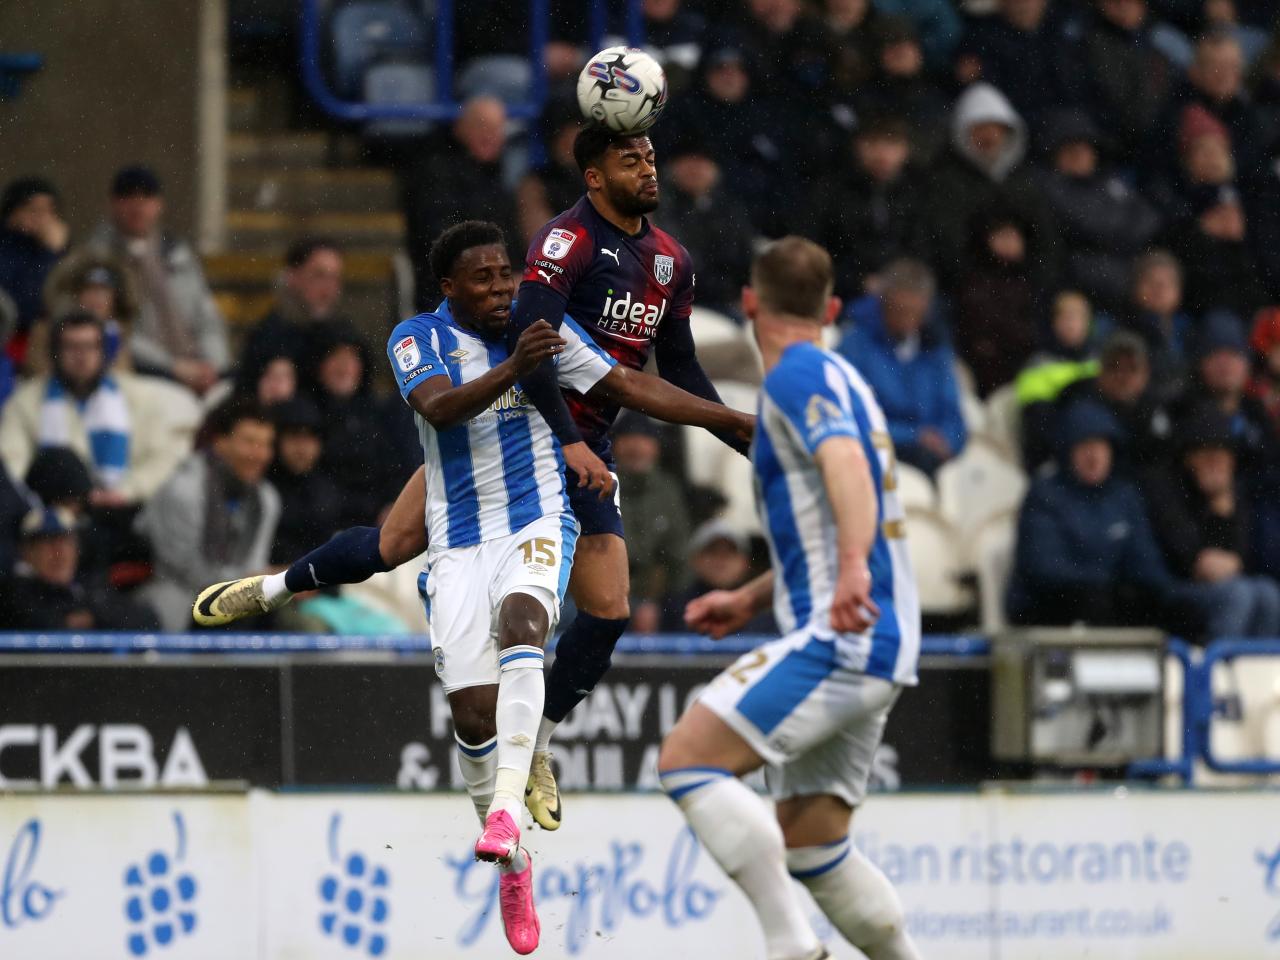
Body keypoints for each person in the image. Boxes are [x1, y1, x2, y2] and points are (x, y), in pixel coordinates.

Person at [191, 219, 754, 830]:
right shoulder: (422, 337)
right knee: (389, 547)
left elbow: (627, 382)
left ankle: (536, 745)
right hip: (460, 480)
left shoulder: (560, 305)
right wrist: (518, 365)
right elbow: (437, 406)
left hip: (553, 477)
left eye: (505, 275)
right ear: (448, 286)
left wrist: (731, 423)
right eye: (482, 279)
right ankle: (271, 588)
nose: (500, 289)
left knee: (608, 610)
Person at [658, 237, 922, 960]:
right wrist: (750, 596)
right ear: (832, 309)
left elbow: (846, 470)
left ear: (749, 303)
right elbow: (836, 510)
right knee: (814, 844)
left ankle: (789, 946)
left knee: (686, 760)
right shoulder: (845, 377)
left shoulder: (796, 377)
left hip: (846, 631)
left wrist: (850, 575)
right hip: (876, 632)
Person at [0, 310, 197, 512]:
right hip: (50, 515)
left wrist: (127, 491)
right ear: (55, 353)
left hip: (122, 510)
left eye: (90, 346)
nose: (81, 356)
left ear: (103, 353)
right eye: (72, 347)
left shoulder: (138, 397)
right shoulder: (25, 402)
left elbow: (167, 454)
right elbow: (11, 467)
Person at [1008, 399, 1174, 625]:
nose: (1094, 456)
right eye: (1085, 446)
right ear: (1067, 451)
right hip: (1049, 610)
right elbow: (1044, 568)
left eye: (1100, 446)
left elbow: (1146, 563)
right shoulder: (1044, 494)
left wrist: (1155, 592)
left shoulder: (1124, 496)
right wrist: (1107, 588)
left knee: (1173, 608)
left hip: (1111, 604)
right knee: (1096, 602)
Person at [137, 399, 280, 631]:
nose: (260, 454)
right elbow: (189, 572)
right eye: (250, 442)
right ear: (220, 442)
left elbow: (255, 564)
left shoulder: (266, 498)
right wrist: (260, 582)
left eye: (266, 444)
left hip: (234, 599)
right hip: (175, 595)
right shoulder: (183, 490)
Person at [86, 166, 229, 395]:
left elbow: (207, 317)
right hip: (143, 374)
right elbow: (115, 330)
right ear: (112, 203)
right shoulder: (97, 261)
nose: (138, 205)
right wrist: (174, 368)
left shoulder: (179, 253)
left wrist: (214, 366)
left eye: (146, 197)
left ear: (159, 204)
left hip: (202, 372)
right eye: (128, 197)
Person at [1145, 406, 1280, 637]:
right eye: (1207, 455)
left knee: (1268, 594)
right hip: (1173, 586)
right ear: (1189, 458)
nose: (1215, 463)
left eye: (1221, 455)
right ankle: (1216, 669)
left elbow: (1240, 557)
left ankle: (1260, 671)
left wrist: (1223, 511)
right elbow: (1191, 557)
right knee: (1238, 595)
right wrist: (1214, 514)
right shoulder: (1166, 489)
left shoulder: (1233, 493)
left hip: (1224, 583)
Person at [837, 258, 966, 475]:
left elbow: (953, 414)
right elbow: (851, 415)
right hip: (877, 456)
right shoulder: (854, 345)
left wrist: (946, 441)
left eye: (914, 312)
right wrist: (914, 436)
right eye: (900, 310)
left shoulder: (936, 351)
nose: (907, 320)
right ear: (884, 302)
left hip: (933, 458)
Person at [805, 115, 932, 300]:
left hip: (902, 294)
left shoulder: (915, 192)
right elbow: (813, 252)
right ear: (858, 146)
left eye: (891, 144)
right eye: (873, 143)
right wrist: (857, 282)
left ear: (905, 150)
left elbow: (922, 251)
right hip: (841, 294)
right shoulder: (831, 191)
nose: (882, 154)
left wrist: (896, 282)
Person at [0, 506, 157, 631]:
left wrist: (93, 618)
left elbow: (147, 619)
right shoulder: (14, 593)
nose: (59, 553)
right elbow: (41, 625)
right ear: (28, 552)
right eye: (48, 543)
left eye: (66, 542)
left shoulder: (87, 586)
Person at [611, 411, 690, 635]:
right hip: (607, 591)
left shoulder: (668, 490)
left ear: (655, 447)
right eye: (628, 439)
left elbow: (678, 557)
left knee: (687, 611)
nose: (636, 447)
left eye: (644, 439)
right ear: (614, 445)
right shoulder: (603, 484)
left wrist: (651, 601)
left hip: (657, 597)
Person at [237, 236, 344, 394]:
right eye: (319, 275)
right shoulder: (269, 337)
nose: (329, 288)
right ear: (292, 277)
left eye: (335, 277)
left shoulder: (344, 335)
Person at [660, 519, 776, 633]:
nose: (721, 559)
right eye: (712, 551)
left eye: (730, 551)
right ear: (695, 559)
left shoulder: (767, 609)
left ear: (745, 562)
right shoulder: (672, 608)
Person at [0, 177, 68, 365]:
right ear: (12, 212)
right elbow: (28, 309)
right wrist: (50, 255)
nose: (43, 218)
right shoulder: (7, 251)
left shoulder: (56, 249)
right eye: (34, 210)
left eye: (49, 211)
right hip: (13, 348)